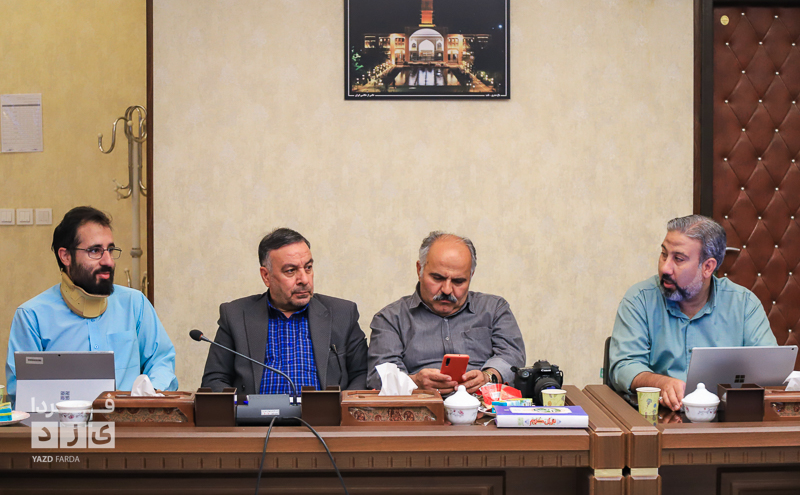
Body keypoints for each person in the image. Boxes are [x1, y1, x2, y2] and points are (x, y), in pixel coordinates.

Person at [5, 206, 178, 406]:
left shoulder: (134, 304)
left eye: (110, 250)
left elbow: (161, 361)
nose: (108, 261)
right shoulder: (32, 316)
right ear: (65, 256)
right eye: (95, 251)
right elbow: (24, 394)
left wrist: (149, 396)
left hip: (127, 421)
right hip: (60, 425)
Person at [608, 215, 777, 411]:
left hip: (728, 417)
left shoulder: (744, 304)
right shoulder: (640, 299)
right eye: (664, 254)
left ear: (707, 267)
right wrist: (660, 383)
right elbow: (624, 366)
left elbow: (770, 369)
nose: (665, 267)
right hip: (658, 417)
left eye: (678, 259)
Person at [201, 228, 368, 395]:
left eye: (308, 267)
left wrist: (340, 405)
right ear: (266, 276)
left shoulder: (342, 314)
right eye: (290, 271)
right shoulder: (236, 316)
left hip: (323, 412)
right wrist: (241, 407)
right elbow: (214, 379)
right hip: (256, 412)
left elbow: (362, 374)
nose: (304, 279)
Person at [368, 231, 526, 394]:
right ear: (419, 270)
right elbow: (378, 377)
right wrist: (415, 382)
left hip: (483, 405)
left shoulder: (494, 309)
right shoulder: (390, 318)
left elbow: (512, 356)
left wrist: (488, 376)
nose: (447, 290)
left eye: (458, 281)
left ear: (471, 275)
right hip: (420, 404)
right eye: (437, 278)